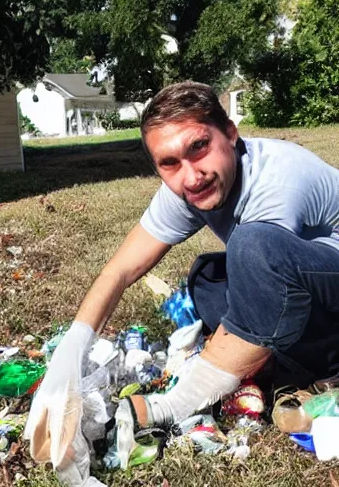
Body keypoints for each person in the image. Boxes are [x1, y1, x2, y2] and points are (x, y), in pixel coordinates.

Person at [26, 81, 339, 465]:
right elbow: (121, 269)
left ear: (230, 133)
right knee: (207, 279)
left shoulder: (278, 181)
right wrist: (70, 355)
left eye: (199, 147)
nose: (191, 177)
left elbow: (267, 282)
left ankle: (317, 367)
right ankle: (279, 364)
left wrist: (169, 405)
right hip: (306, 286)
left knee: (252, 247)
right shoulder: (190, 188)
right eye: (169, 163)